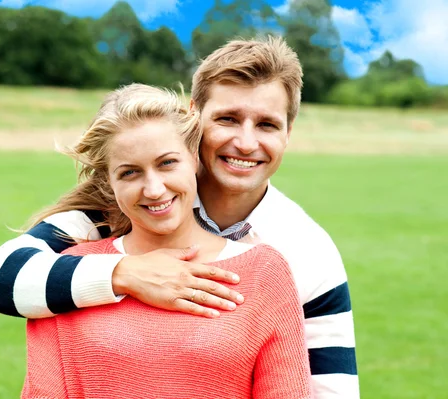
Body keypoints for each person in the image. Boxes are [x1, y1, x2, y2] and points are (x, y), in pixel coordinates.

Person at [0, 36, 358, 398]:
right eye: (227, 119)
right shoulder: (111, 212)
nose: (245, 142)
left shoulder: (306, 253)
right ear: (195, 119)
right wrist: (125, 273)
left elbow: (332, 389)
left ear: (288, 133)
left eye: (267, 124)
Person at [21, 83, 312, 398]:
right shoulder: (67, 274)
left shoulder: (264, 273)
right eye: (130, 173)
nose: (154, 189)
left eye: (167, 163)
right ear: (109, 182)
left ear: (194, 159)